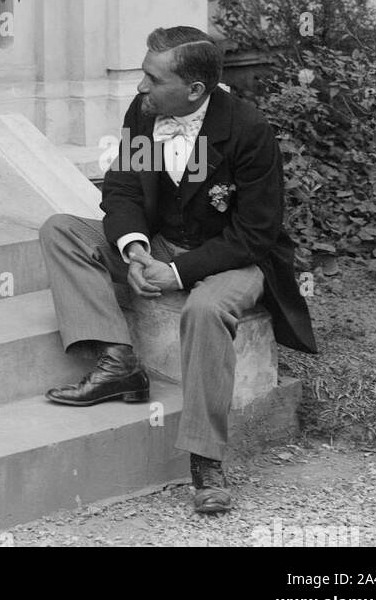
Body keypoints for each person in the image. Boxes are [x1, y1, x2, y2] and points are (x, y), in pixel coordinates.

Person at [38, 26, 316, 514]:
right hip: (160, 242)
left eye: (152, 77)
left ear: (194, 90)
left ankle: (206, 459)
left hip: (234, 257)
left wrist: (178, 272)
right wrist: (136, 249)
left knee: (206, 309)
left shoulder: (247, 131)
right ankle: (118, 361)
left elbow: (256, 232)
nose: (141, 87)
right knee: (61, 230)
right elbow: (121, 188)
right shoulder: (146, 114)